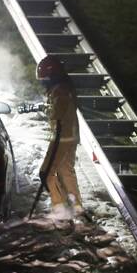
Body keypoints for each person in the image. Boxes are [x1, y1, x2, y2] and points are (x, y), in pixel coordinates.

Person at [35, 55, 83, 222]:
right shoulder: (66, 86)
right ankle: (76, 206)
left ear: (52, 77)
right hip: (72, 136)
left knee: (46, 173)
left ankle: (59, 208)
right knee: (66, 171)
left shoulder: (59, 91)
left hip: (61, 138)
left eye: (45, 79)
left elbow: (58, 112)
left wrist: (47, 110)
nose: (43, 83)